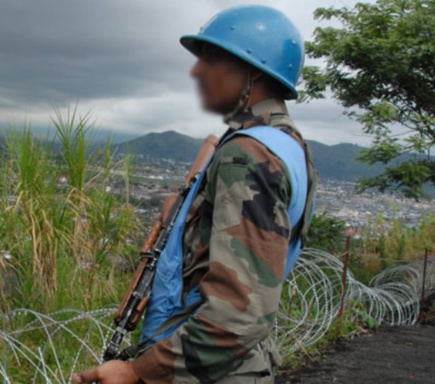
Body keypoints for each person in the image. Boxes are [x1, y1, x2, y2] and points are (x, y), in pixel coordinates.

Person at [74, 5, 317, 384]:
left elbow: (238, 314)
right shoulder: (287, 145)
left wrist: (139, 372)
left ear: (251, 71)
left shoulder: (248, 154)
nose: (196, 71)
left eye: (211, 59)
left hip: (207, 372)